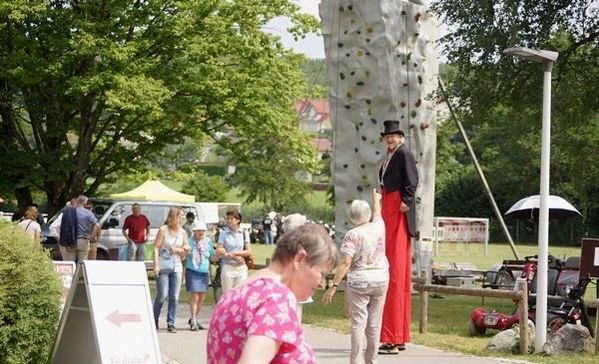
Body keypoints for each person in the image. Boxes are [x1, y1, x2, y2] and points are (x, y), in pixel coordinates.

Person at [207, 224, 339, 364]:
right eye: (322, 273)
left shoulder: (233, 296)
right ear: (299, 259)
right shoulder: (277, 298)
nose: (321, 284)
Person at [323, 189, 388, 364]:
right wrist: (376, 199)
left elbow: (345, 262)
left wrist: (334, 286)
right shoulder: (379, 226)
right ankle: (372, 360)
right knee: (374, 324)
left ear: (352, 216)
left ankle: (356, 361)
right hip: (381, 278)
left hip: (359, 280)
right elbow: (377, 213)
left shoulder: (352, 235)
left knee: (358, 323)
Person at [377, 120, 419, 354]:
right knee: (396, 275)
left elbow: (412, 181)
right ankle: (398, 335)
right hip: (390, 209)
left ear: (401, 137)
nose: (390, 139)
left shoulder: (404, 154)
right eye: (387, 136)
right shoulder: (392, 156)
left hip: (397, 212)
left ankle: (392, 337)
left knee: (393, 274)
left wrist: (406, 201)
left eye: (394, 136)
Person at [153, 207, 190, 333]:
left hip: (177, 267)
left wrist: (181, 249)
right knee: (162, 294)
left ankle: (171, 323)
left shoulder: (183, 232)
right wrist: (156, 265)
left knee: (174, 296)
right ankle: (154, 318)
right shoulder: (163, 230)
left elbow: (186, 248)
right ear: (175, 216)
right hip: (164, 265)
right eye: (181, 215)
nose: (183, 218)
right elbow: (156, 248)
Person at [185, 221, 215, 331]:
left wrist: (219, 255)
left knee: (202, 297)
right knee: (195, 296)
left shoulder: (207, 241)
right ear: (194, 231)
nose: (201, 232)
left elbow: (212, 256)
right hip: (192, 271)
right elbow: (184, 255)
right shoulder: (189, 242)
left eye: (203, 230)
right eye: (199, 230)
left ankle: (194, 318)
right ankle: (193, 320)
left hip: (204, 272)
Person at [216, 210, 251, 293]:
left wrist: (234, 254)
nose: (229, 221)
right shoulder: (223, 233)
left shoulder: (244, 233)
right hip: (228, 267)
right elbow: (219, 249)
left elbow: (248, 251)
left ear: (238, 220)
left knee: (241, 294)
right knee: (228, 295)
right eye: (228, 219)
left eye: (232, 219)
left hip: (241, 268)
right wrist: (224, 252)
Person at [76, 196, 101, 260]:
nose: (87, 209)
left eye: (89, 207)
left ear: (92, 208)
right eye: (86, 207)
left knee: (91, 260)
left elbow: (98, 227)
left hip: (91, 241)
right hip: (84, 239)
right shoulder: (85, 214)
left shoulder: (95, 216)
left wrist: (95, 239)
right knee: (83, 260)